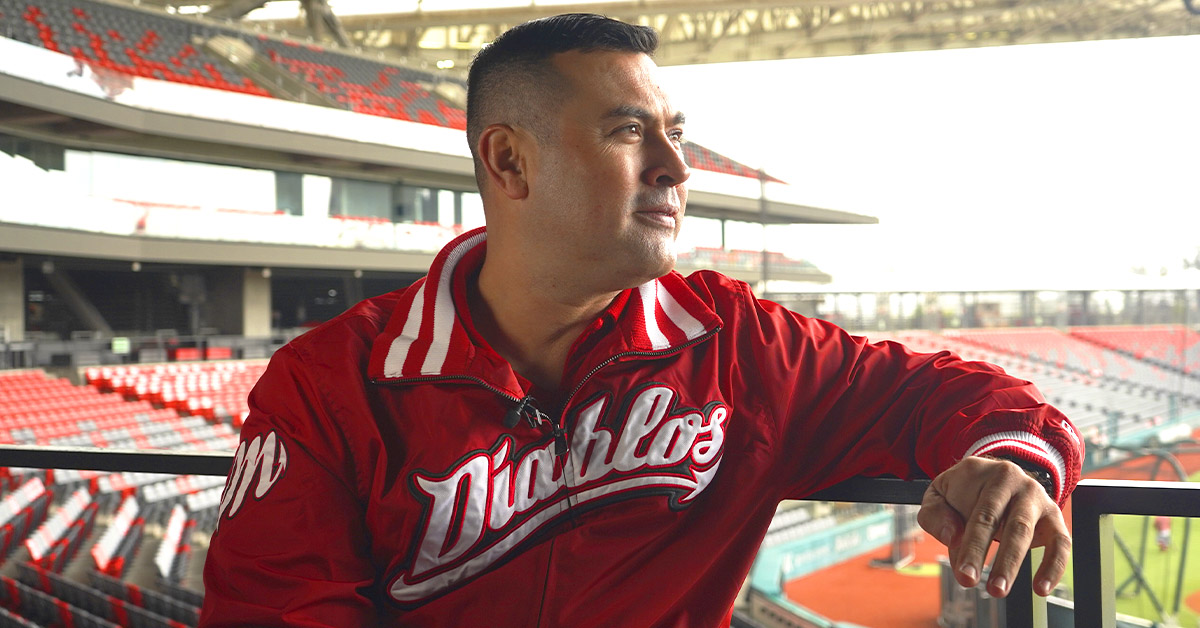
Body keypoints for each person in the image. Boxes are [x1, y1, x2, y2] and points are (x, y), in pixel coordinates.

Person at [199, 13, 1083, 627]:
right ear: (509, 162)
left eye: (676, 134)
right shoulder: (329, 384)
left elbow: (952, 394)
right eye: (628, 132)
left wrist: (1010, 461)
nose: (675, 167)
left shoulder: (737, 345)